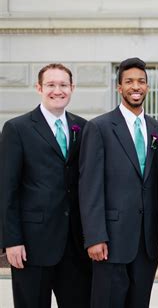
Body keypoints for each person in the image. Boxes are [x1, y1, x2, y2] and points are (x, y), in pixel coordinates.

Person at [0, 63, 91, 307]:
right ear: (39, 87)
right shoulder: (16, 129)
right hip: (32, 245)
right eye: (51, 85)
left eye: (63, 85)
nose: (57, 90)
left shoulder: (82, 128)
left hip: (75, 246)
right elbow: (6, 190)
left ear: (72, 88)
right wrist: (11, 240)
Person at [79, 57, 158, 308]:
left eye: (141, 82)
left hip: (146, 243)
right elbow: (89, 185)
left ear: (148, 87)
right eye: (129, 82)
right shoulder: (99, 127)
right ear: (119, 87)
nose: (135, 86)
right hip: (110, 241)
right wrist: (94, 236)